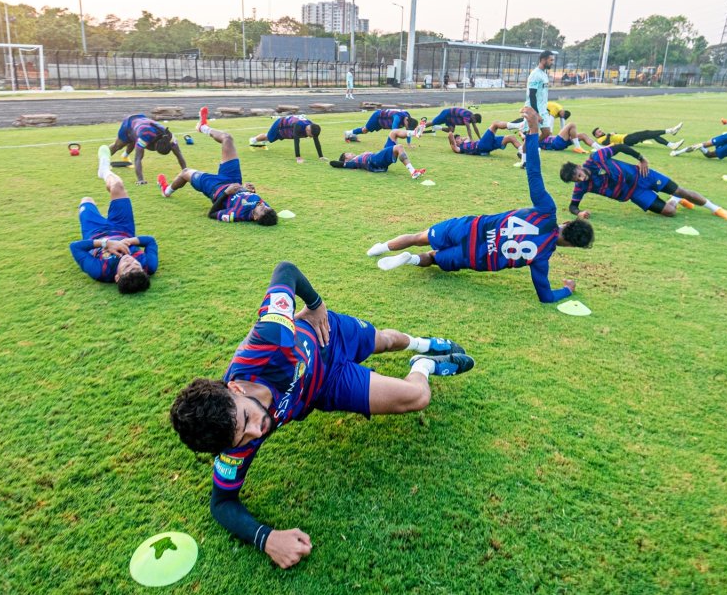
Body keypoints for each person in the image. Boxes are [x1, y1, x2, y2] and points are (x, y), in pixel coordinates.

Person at [169, 260, 474, 569]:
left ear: (235, 389)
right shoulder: (233, 438)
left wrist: (315, 304)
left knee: (387, 340)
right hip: (327, 386)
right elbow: (221, 503)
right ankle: (423, 364)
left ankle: (424, 344)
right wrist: (266, 538)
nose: (256, 433)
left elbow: (285, 270)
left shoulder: (266, 340)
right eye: (243, 438)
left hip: (328, 334)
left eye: (247, 420)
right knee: (418, 396)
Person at [368, 108, 592, 302]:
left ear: (567, 222)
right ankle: (413, 259)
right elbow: (546, 296)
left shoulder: (547, 212)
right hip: (474, 256)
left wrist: (533, 131)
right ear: (571, 245)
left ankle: (381, 247)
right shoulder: (542, 257)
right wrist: (567, 290)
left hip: (471, 227)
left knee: (420, 236)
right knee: (435, 258)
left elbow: (533, 172)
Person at [156, 108, 277, 225]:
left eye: (262, 209)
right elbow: (248, 198)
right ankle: (203, 127)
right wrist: (247, 189)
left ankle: (166, 191)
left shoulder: (237, 214)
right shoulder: (265, 208)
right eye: (265, 206)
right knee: (227, 138)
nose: (262, 205)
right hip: (234, 180)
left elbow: (212, 213)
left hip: (216, 188)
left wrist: (226, 193)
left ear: (255, 217)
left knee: (185, 172)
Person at [560, 144, 727, 221]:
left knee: (681, 190)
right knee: (669, 212)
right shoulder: (581, 187)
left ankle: (716, 209)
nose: (581, 179)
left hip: (643, 175)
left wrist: (641, 158)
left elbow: (620, 147)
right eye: (576, 179)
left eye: (579, 174)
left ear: (578, 166)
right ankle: (674, 200)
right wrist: (579, 213)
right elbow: (572, 206)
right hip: (635, 194)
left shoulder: (596, 158)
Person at [70, 147, 157, 293]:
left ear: (117, 277)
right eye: (136, 265)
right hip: (123, 229)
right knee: (117, 186)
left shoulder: (100, 271)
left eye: (127, 267)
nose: (130, 261)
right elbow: (150, 241)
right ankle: (104, 170)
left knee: (86, 200)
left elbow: (75, 247)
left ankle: (92, 203)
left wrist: (106, 243)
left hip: (95, 232)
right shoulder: (149, 265)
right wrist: (129, 241)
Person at [108, 114, 187, 186]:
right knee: (118, 146)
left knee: (133, 140)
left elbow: (179, 154)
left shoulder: (170, 138)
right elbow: (138, 158)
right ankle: (104, 159)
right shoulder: (145, 135)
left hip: (142, 122)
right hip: (129, 124)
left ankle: (124, 156)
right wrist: (141, 180)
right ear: (155, 144)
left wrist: (185, 172)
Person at [330, 129, 427, 179]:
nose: (351, 153)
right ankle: (413, 172)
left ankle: (414, 133)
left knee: (393, 133)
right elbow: (335, 163)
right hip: (375, 160)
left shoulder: (357, 158)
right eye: (348, 154)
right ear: (346, 159)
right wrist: (340, 163)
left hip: (378, 156)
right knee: (399, 147)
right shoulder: (352, 163)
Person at [249, 115, 325, 164]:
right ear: (308, 130)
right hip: (280, 125)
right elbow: (296, 141)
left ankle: (262, 141)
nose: (311, 137)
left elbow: (316, 140)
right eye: (311, 135)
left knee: (269, 138)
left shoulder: (311, 126)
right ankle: (253, 140)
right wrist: (298, 157)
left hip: (287, 129)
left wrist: (321, 156)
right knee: (268, 137)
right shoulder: (298, 126)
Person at [524, 51, 555, 141]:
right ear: (543, 60)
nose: (552, 62)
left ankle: (529, 147)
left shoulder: (544, 74)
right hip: (533, 108)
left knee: (546, 132)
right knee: (532, 133)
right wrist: (536, 114)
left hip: (542, 109)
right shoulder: (535, 74)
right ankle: (524, 151)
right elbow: (532, 95)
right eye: (551, 60)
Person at [344, 108, 423, 143]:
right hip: (377, 117)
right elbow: (394, 131)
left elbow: (408, 132)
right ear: (406, 121)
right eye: (407, 126)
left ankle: (351, 135)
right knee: (365, 130)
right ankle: (348, 133)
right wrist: (395, 143)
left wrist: (409, 144)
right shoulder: (398, 117)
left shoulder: (408, 117)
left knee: (365, 131)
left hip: (382, 122)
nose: (406, 128)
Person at [448, 121, 523, 157]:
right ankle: (518, 125)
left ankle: (522, 152)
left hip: (486, 147)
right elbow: (450, 136)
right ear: (455, 142)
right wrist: (452, 136)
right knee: (495, 124)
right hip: (481, 145)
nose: (460, 138)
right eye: (457, 138)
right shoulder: (458, 148)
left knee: (510, 138)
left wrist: (461, 139)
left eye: (459, 137)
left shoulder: (465, 143)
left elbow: (467, 137)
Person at [591, 123, 684, 149]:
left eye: (600, 130)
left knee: (651, 135)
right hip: (626, 140)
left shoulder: (605, 135)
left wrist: (614, 133)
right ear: (596, 135)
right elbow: (605, 143)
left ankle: (671, 145)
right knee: (647, 132)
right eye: (599, 132)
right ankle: (671, 130)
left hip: (627, 138)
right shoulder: (599, 140)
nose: (601, 131)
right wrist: (608, 135)